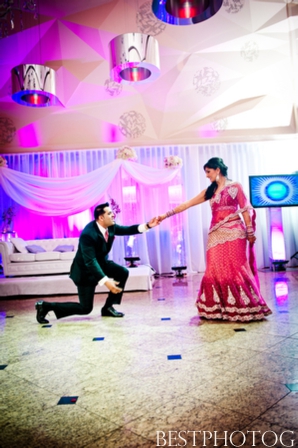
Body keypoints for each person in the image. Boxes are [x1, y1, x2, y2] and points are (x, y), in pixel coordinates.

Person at [159, 157, 272, 322]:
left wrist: (249, 230)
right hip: (215, 234)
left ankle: (242, 306)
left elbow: (245, 209)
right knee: (214, 269)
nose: (206, 175)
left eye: (208, 172)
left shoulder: (236, 187)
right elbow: (187, 204)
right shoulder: (210, 191)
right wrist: (165, 215)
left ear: (217, 170)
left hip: (235, 232)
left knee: (235, 269)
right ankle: (218, 307)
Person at [35, 202, 159, 323]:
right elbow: (90, 261)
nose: (113, 215)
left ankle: (108, 307)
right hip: (85, 272)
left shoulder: (110, 226)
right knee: (85, 308)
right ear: (101, 217)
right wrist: (106, 281)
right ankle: (45, 306)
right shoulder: (88, 234)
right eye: (110, 213)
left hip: (101, 264)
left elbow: (127, 229)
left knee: (122, 272)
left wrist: (148, 225)